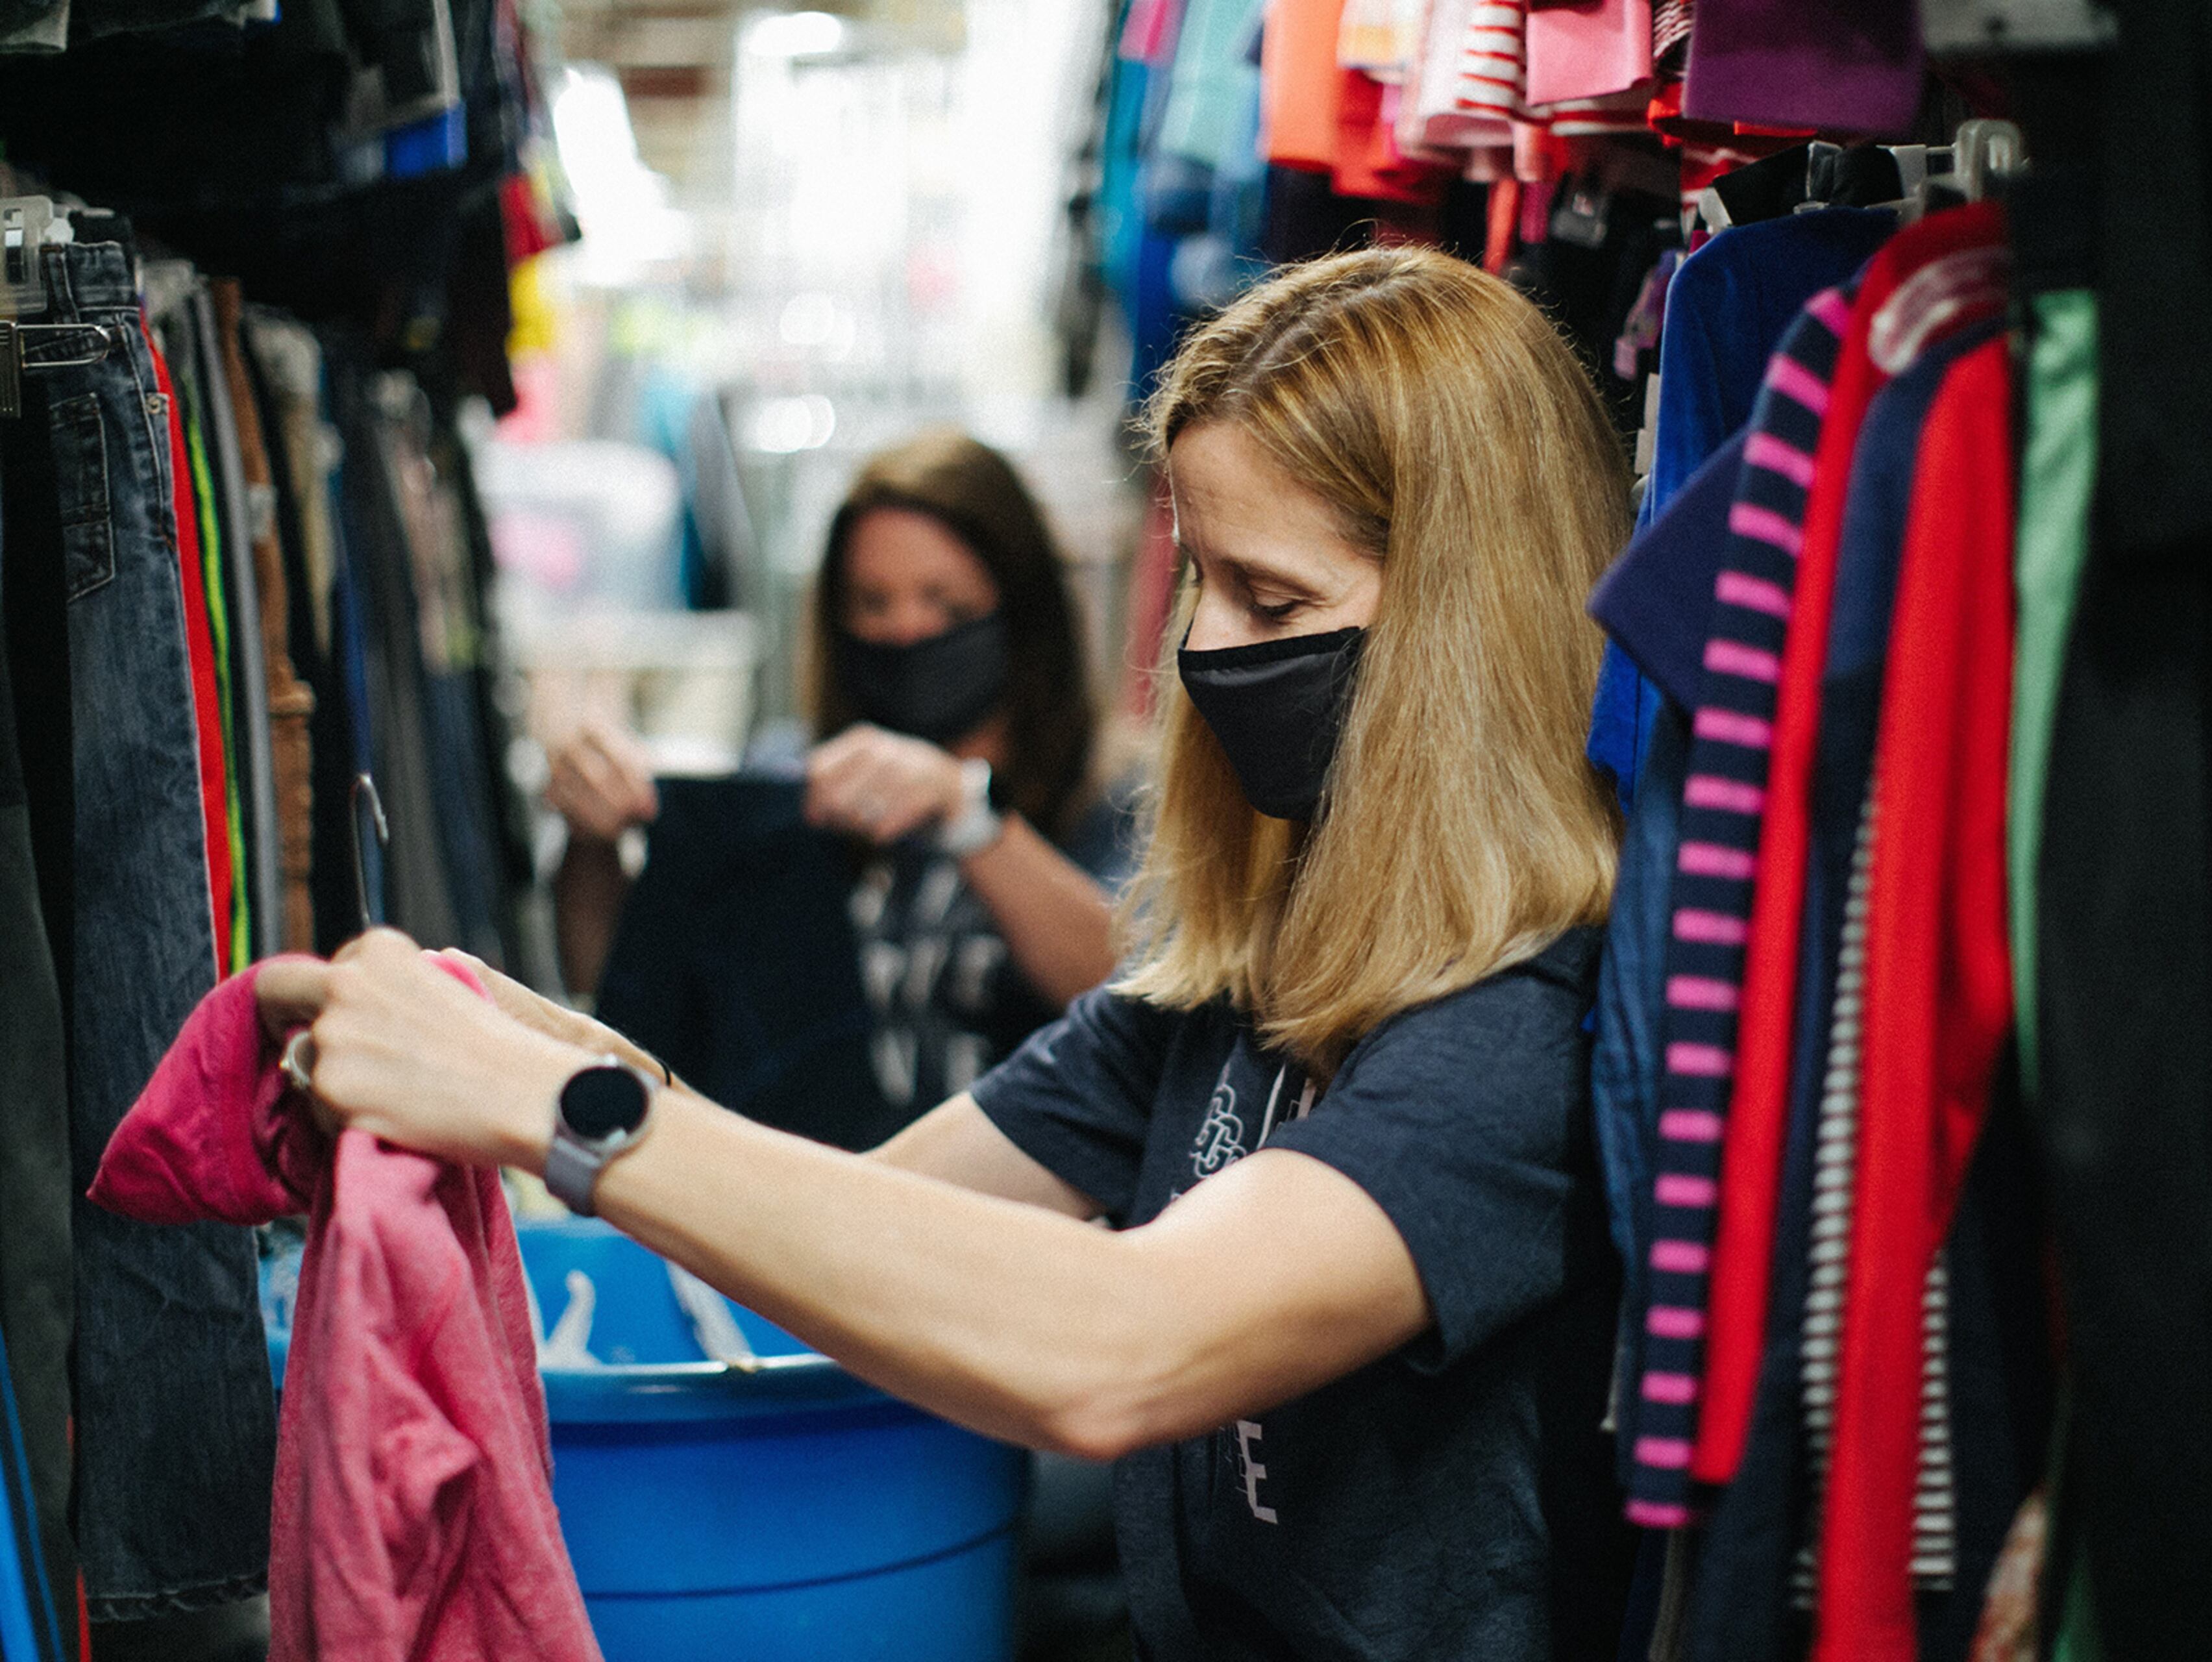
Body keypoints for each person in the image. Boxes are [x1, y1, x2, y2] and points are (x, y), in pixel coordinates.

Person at [262, 246, 1640, 1657]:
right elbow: (851, 1218)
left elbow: (1122, 1340)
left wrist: (560, 1113)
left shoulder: (1529, 1032)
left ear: (1459, 628)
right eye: (1201, 586)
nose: (1200, 653)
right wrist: (504, 1034)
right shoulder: (1236, 989)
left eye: (1270, 603)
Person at [545, 430, 1126, 1130]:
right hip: (803, 1217)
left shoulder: (1116, 794)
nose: (908, 630)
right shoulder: (794, 785)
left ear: (1021, 609)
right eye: (874, 604)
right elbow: (628, 992)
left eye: (946, 604)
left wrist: (966, 811)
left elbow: (1140, 995)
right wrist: (592, 841)